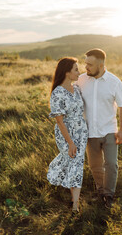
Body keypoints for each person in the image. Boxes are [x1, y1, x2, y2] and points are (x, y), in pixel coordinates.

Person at [76, 48, 122, 208]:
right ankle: (101, 192)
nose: (86, 67)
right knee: (95, 165)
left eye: (90, 64)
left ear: (101, 64)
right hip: (90, 131)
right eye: (85, 64)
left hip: (109, 130)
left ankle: (109, 195)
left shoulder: (114, 82)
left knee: (111, 164)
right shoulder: (81, 80)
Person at [47, 57, 88, 213]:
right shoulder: (57, 93)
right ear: (67, 72)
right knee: (74, 162)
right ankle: (76, 206)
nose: (79, 72)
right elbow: (59, 122)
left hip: (82, 131)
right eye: (76, 69)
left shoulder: (76, 88)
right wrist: (70, 142)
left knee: (76, 163)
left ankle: (74, 201)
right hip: (66, 134)